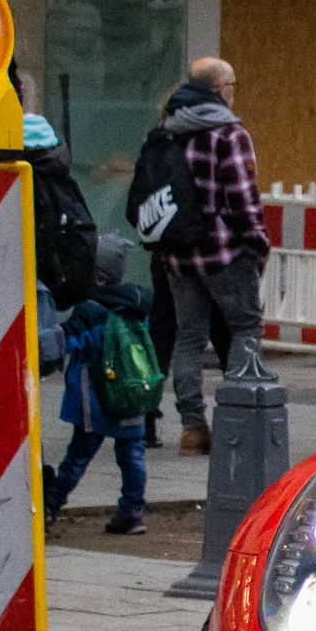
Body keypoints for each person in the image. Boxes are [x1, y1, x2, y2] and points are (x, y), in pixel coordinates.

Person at [143, 58, 267, 456]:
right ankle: (237, 421)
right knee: (246, 329)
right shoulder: (229, 134)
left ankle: (192, 428)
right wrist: (258, 243)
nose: (234, 89)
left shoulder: (169, 131)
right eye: (231, 82)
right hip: (223, 252)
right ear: (218, 88)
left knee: (189, 337)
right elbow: (243, 199)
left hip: (178, 255)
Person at [44, 237, 153, 536]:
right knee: (132, 455)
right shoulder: (135, 307)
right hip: (132, 395)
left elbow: (70, 343)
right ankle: (132, 512)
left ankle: (50, 504)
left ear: (98, 275)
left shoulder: (92, 311)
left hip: (95, 399)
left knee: (78, 455)